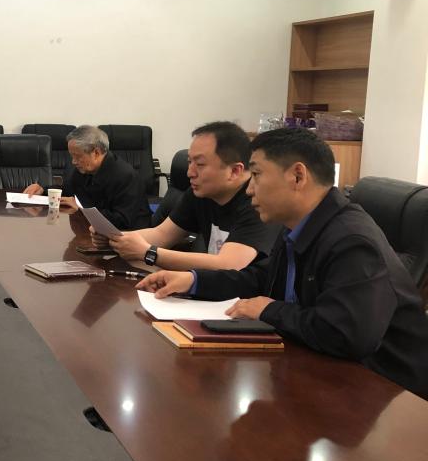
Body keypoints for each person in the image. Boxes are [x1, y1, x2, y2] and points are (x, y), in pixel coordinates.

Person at [138, 128, 428, 400]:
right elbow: (259, 279)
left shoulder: (351, 241)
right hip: (317, 369)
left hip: (385, 393)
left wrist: (269, 309)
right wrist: (194, 280)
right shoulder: (299, 227)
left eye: (256, 175)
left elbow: (345, 334)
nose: (249, 189)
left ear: (297, 176)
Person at [94, 121, 277, 271]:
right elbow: (162, 234)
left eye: (200, 164)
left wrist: (149, 253)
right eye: (190, 162)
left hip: (250, 300)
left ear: (235, 171)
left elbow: (229, 264)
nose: (190, 172)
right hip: (214, 292)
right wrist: (115, 238)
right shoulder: (201, 193)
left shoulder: (259, 202)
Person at [25, 125, 150, 230]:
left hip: (130, 237)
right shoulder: (83, 170)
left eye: (78, 156)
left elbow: (122, 220)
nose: (73, 162)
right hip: (94, 231)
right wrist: (43, 190)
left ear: (96, 153)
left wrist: (81, 210)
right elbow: (68, 191)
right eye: (72, 156)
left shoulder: (126, 177)